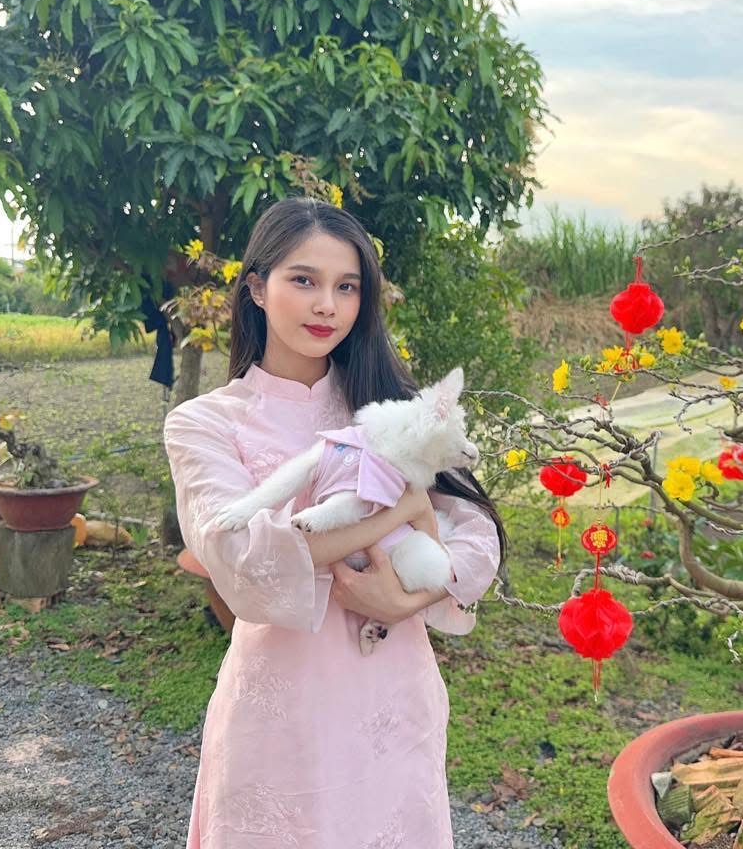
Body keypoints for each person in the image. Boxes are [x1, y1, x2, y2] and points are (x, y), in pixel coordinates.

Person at [163, 198, 504, 848]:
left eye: (347, 287)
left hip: (395, 699)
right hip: (285, 710)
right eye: (304, 280)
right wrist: (405, 511)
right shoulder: (205, 423)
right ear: (256, 288)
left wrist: (410, 597)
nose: (327, 305)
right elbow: (241, 560)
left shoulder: (385, 409)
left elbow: (477, 530)